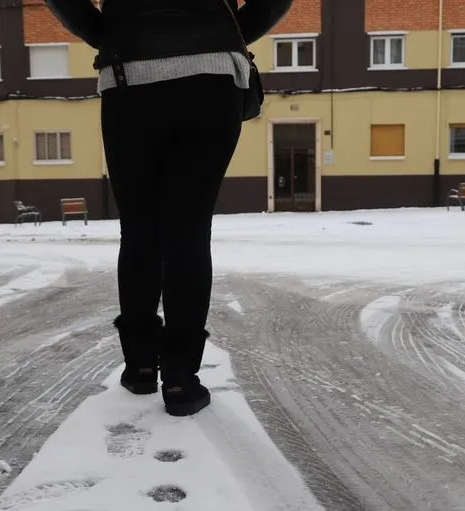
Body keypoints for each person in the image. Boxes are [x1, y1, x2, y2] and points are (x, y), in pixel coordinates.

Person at [44, 0, 292, 416]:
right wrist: (223, 33)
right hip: (213, 80)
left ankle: (141, 365)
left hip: (130, 78)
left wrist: (108, 33)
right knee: (188, 231)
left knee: (139, 229)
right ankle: (179, 378)